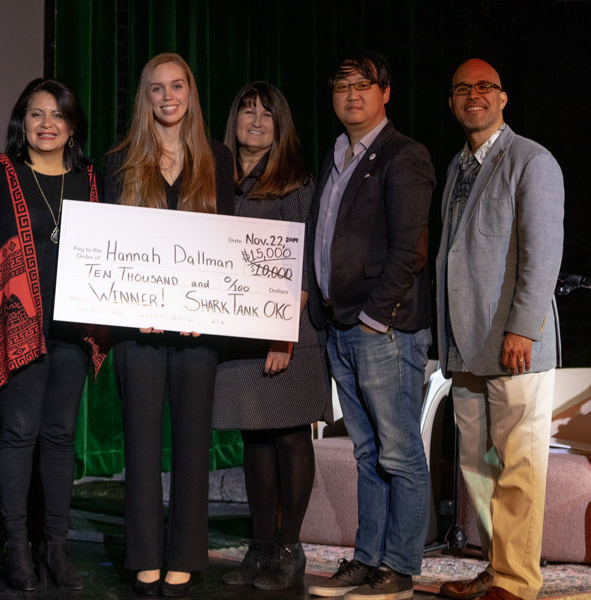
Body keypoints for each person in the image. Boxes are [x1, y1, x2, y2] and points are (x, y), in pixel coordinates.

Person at [102, 52, 234, 597]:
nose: (167, 97)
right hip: (138, 331)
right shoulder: (120, 160)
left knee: (191, 445)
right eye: (156, 89)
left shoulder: (218, 159)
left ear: (191, 92)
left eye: (176, 86)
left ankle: (183, 553)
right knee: (140, 442)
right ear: (145, 97)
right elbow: (112, 248)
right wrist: (135, 308)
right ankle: (144, 554)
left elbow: (226, 243)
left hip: (198, 330)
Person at [304, 50, 434, 600]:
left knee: (398, 450)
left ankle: (399, 567)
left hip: (383, 328)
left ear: (386, 92)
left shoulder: (403, 155)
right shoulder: (337, 154)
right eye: (342, 85)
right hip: (340, 327)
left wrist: (377, 318)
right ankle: (368, 558)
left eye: (364, 85)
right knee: (365, 451)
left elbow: (410, 250)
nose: (352, 95)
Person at [436, 59, 564, 600]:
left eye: (485, 87)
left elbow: (542, 255)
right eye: (463, 89)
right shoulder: (456, 166)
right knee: (476, 465)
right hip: (466, 346)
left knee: (518, 462)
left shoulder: (530, 160)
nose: (474, 95)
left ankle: (517, 580)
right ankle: (497, 566)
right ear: (451, 103)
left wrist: (523, 329)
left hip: (513, 343)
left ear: (503, 98)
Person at [0, 78, 100, 591]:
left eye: (58, 116)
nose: (47, 125)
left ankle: (56, 547)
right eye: (36, 114)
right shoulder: (0, 176)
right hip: (19, 330)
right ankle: (17, 548)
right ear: (22, 121)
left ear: (72, 126)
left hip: (72, 329)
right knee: (17, 433)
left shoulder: (91, 181)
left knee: (60, 436)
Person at [212, 81, 332, 591]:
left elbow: (306, 264)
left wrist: (281, 335)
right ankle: (260, 546)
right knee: (254, 436)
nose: (256, 120)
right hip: (238, 331)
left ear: (280, 125)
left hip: (289, 331)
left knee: (289, 436)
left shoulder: (296, 182)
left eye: (267, 113)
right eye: (247, 111)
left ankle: (290, 548)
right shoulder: (217, 177)